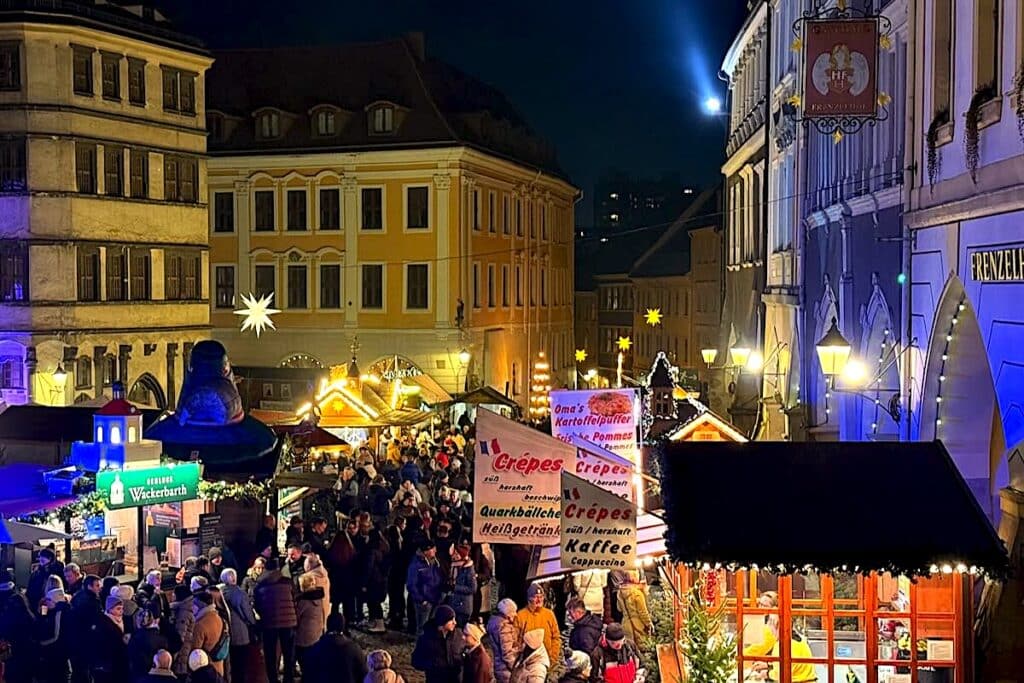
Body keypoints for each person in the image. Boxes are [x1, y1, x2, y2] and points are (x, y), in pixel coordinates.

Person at [741, 592, 816, 682]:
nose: (760, 608)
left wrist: (766, 673)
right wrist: (768, 665)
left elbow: (780, 674)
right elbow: (786, 663)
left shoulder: (782, 645)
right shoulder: (796, 640)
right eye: (759, 604)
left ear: (776, 625)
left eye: (764, 605)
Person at [253, 557, 298, 683]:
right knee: (288, 652)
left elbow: (258, 606)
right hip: (289, 622)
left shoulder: (260, 585)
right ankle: (288, 678)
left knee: (270, 653)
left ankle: (273, 679)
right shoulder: (287, 582)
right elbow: (295, 599)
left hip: (269, 623)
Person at [302, 613, 367, 683]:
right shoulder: (354, 648)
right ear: (343, 627)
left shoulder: (315, 649)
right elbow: (364, 674)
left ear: (327, 626)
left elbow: (307, 676)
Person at [353, 512, 390, 633]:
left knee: (374, 602)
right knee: (375, 602)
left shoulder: (371, 551)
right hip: (380, 580)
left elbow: (368, 568)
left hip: (373, 581)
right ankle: (376, 622)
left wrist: (363, 583)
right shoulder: (382, 548)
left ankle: (379, 624)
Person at [411, 605, 465, 683]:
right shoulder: (427, 638)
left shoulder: (458, 635)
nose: (455, 623)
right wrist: (432, 665)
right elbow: (416, 661)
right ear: (443, 621)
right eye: (451, 620)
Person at [220, 568, 257, 683]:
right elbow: (248, 614)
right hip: (241, 633)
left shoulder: (220, 593)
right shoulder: (240, 593)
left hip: (226, 633)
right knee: (241, 665)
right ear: (234, 578)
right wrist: (253, 623)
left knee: (229, 663)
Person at [67, 574, 103, 683]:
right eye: (97, 586)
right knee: (84, 671)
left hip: (75, 641)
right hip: (85, 642)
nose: (100, 588)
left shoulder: (78, 596)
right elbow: (95, 621)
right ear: (89, 586)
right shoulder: (92, 602)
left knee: (78, 671)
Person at [406, 540, 445, 635]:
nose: (435, 550)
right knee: (422, 627)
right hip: (424, 601)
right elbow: (411, 584)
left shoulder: (435, 561)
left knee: (431, 625)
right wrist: (421, 599)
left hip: (435, 598)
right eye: (433, 549)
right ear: (426, 551)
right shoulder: (416, 564)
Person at [516, 584, 561, 664]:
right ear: (529, 599)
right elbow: (517, 640)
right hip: (529, 661)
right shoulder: (521, 615)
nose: (539, 600)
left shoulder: (549, 614)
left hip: (548, 660)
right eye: (536, 597)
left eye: (541, 597)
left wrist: (553, 657)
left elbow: (556, 637)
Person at [90, 595, 130, 683]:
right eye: (118, 609)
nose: (121, 611)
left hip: (122, 660)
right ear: (110, 609)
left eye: (122, 608)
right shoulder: (102, 622)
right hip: (109, 662)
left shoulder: (125, 620)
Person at [326, 517, 358, 624]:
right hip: (348, 580)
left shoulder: (331, 551)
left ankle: (333, 621)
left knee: (335, 603)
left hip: (335, 580)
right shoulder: (351, 551)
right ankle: (347, 622)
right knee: (347, 603)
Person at [35, 587, 71, 683]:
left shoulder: (60, 613)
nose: (46, 602)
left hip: (58, 653)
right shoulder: (51, 610)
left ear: (55, 601)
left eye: (48, 600)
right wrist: (42, 611)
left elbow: (55, 635)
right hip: (52, 653)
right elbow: (41, 622)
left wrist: (41, 643)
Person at [295, 572, 327, 673]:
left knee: (303, 660)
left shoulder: (304, 601)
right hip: (316, 634)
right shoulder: (318, 598)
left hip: (304, 636)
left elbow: (296, 617)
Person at [127, 606, 169, 682]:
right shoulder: (163, 639)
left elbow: (131, 658)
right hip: (156, 677)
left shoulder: (136, 639)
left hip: (138, 676)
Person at [190, 591, 225, 677]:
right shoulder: (218, 617)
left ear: (200, 606)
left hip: (206, 671)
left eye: (194, 605)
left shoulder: (200, 625)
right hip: (219, 667)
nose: (192, 608)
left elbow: (195, 651)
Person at [487, 598, 520, 683]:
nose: (515, 614)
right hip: (506, 671)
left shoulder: (494, 623)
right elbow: (507, 654)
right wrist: (517, 668)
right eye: (513, 611)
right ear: (507, 613)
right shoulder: (504, 628)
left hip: (499, 667)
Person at [616, 570, 652, 643]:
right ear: (634, 577)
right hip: (638, 626)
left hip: (625, 625)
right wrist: (649, 624)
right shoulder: (637, 594)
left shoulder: (620, 592)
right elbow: (643, 613)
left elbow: (619, 608)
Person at [448, 540, 477, 628]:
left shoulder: (468, 569)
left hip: (463, 606)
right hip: (454, 604)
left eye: (455, 554)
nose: (453, 556)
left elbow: (472, 588)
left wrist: (455, 587)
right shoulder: (454, 566)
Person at [169, 585, 197, 677]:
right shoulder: (184, 608)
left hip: (181, 654)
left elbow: (180, 636)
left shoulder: (183, 612)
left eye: (174, 594)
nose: (172, 596)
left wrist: (173, 657)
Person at [303, 553, 332, 624]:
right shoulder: (324, 574)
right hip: (325, 609)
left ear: (309, 565)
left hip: (311, 614)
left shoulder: (308, 578)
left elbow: (304, 598)